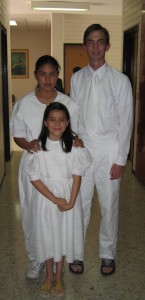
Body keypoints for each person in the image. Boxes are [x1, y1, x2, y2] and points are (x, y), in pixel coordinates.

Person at [70, 24, 133, 276]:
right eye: (90, 42)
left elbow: (126, 121)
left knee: (109, 205)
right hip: (83, 147)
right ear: (85, 46)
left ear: (107, 46)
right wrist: (73, 148)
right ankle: (76, 252)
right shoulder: (77, 79)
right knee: (79, 204)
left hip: (109, 148)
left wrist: (120, 159)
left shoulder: (120, 81)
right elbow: (73, 117)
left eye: (100, 42)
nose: (95, 47)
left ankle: (107, 254)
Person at [10, 55, 81, 279]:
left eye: (52, 74)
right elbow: (18, 135)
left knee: (56, 216)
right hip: (35, 168)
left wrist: (79, 141)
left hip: (60, 171)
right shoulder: (24, 103)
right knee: (33, 214)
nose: (48, 79)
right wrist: (29, 145)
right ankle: (35, 258)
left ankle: (58, 256)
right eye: (43, 73)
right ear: (35, 76)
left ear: (57, 75)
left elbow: (76, 132)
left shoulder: (68, 103)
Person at [22, 102, 91, 297]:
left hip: (68, 200)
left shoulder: (74, 147)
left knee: (62, 237)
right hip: (45, 200)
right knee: (47, 237)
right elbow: (34, 178)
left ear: (68, 122)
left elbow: (78, 175)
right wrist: (54, 198)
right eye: (52, 120)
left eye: (62, 120)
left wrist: (70, 202)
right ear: (45, 122)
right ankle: (48, 276)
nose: (57, 124)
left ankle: (59, 275)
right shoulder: (37, 149)